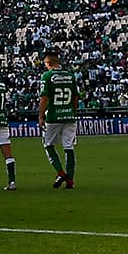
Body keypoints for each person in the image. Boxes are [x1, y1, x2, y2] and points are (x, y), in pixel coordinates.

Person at [39, 49, 79, 188]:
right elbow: (75, 97)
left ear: (48, 63)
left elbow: (44, 98)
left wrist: (40, 116)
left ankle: (61, 172)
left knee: (48, 145)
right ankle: (70, 179)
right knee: (69, 147)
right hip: (68, 116)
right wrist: (73, 112)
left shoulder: (47, 76)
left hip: (53, 116)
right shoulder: (70, 76)